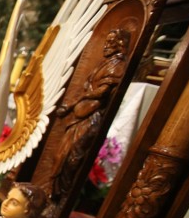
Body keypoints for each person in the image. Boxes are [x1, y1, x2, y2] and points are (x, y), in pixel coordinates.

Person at [49, 28, 130, 205]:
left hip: (90, 118)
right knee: (60, 156)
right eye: (107, 41)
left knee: (72, 158)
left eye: (111, 42)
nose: (106, 45)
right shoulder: (105, 63)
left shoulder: (116, 66)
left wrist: (75, 101)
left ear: (119, 45)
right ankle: (52, 193)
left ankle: (59, 199)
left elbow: (103, 91)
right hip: (81, 114)